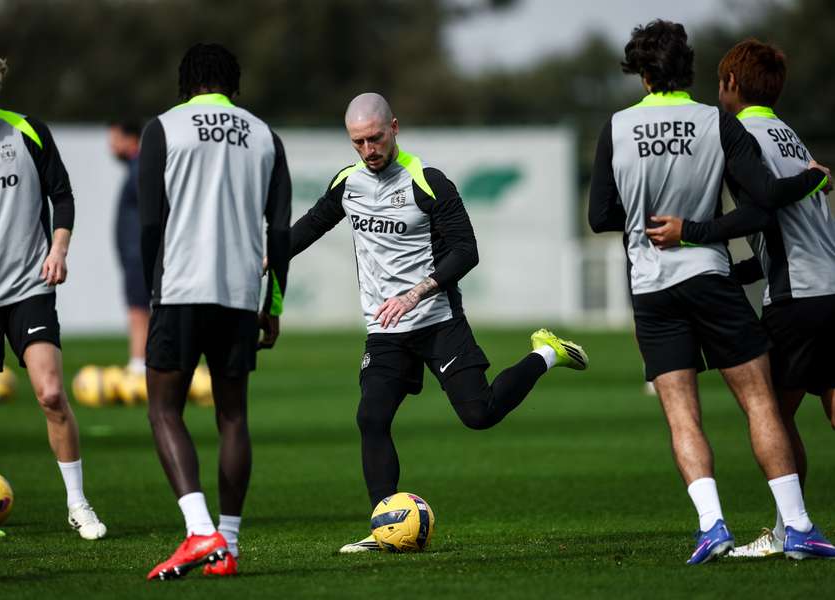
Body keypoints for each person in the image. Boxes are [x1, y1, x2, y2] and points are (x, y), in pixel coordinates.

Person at [290, 92, 588, 553]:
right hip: (386, 329)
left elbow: (466, 251)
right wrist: (267, 257)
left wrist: (415, 293)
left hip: (436, 319)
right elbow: (310, 225)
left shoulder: (428, 183)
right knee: (371, 417)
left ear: (394, 127)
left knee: (480, 414)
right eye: (358, 143)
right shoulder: (347, 183)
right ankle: (385, 528)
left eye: (374, 138)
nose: (368, 151)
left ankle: (547, 352)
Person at [588, 20, 835, 563]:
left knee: (682, 414)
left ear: (645, 73)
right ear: (690, 69)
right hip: (712, 277)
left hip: (651, 288)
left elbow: (599, 215)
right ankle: (796, 526)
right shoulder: (716, 124)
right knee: (760, 402)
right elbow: (761, 203)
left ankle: (711, 526)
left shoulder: (617, 126)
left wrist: (642, 221)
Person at [0, 44, 106, 541]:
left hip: (30, 284)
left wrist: (59, 249)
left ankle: (79, 505)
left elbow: (63, 195)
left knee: (52, 394)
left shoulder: (27, 131)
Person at [139, 42, 291, 580]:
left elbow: (151, 222)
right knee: (233, 417)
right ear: (234, 84)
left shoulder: (164, 128)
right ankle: (226, 544)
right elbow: (281, 232)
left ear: (186, 82)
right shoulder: (265, 136)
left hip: (180, 289)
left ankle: (200, 531)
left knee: (164, 410)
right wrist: (272, 303)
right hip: (237, 296)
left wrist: (149, 289)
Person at [108, 119, 149, 376]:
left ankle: (139, 363)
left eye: (114, 140)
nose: (111, 147)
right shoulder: (136, 168)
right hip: (136, 253)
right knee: (139, 307)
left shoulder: (140, 169)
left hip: (140, 254)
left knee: (138, 308)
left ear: (130, 139)